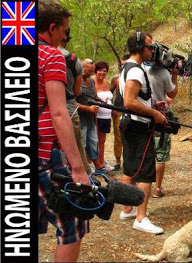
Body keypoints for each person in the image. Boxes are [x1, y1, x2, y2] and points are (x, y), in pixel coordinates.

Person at [38, 1, 90, 261]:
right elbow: (59, 113)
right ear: (51, 28)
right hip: (45, 153)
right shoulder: (51, 56)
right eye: (64, 31)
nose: (64, 38)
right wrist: (79, 168)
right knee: (72, 223)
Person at [118, 32, 167, 234]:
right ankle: (141, 217)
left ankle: (126, 209)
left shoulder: (127, 68)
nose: (152, 51)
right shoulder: (136, 71)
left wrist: (152, 103)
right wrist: (154, 113)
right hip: (138, 127)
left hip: (129, 125)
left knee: (129, 169)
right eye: (149, 47)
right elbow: (129, 101)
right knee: (146, 172)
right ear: (139, 48)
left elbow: (135, 98)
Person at [58, 28, 92, 176]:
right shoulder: (73, 60)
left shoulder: (41, 54)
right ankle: (85, 181)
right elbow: (77, 92)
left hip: (45, 111)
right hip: (69, 109)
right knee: (77, 149)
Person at [144, 60, 179, 198]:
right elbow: (172, 94)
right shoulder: (163, 73)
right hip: (160, 117)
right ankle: (157, 188)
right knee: (160, 155)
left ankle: (143, 187)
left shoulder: (140, 69)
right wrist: (174, 74)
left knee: (146, 152)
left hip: (142, 116)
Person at [77, 59, 107, 174]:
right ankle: (84, 169)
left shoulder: (91, 81)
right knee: (82, 144)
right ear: (81, 67)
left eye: (92, 71)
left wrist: (99, 101)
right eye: (88, 71)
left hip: (91, 119)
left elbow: (94, 96)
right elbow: (71, 102)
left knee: (93, 142)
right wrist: (87, 108)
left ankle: (98, 167)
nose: (91, 73)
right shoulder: (76, 81)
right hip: (80, 119)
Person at [109, 54, 130, 170]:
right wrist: (112, 107)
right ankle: (118, 161)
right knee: (118, 137)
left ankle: (129, 160)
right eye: (121, 64)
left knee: (130, 136)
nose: (123, 66)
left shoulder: (135, 76)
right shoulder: (116, 79)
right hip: (118, 111)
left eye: (125, 64)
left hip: (132, 111)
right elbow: (109, 93)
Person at [94, 61, 114, 171]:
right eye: (100, 70)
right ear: (96, 71)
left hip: (106, 116)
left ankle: (102, 161)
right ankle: (94, 163)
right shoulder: (92, 81)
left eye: (105, 71)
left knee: (102, 141)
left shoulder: (106, 82)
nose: (102, 73)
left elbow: (110, 97)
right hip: (96, 115)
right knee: (94, 140)